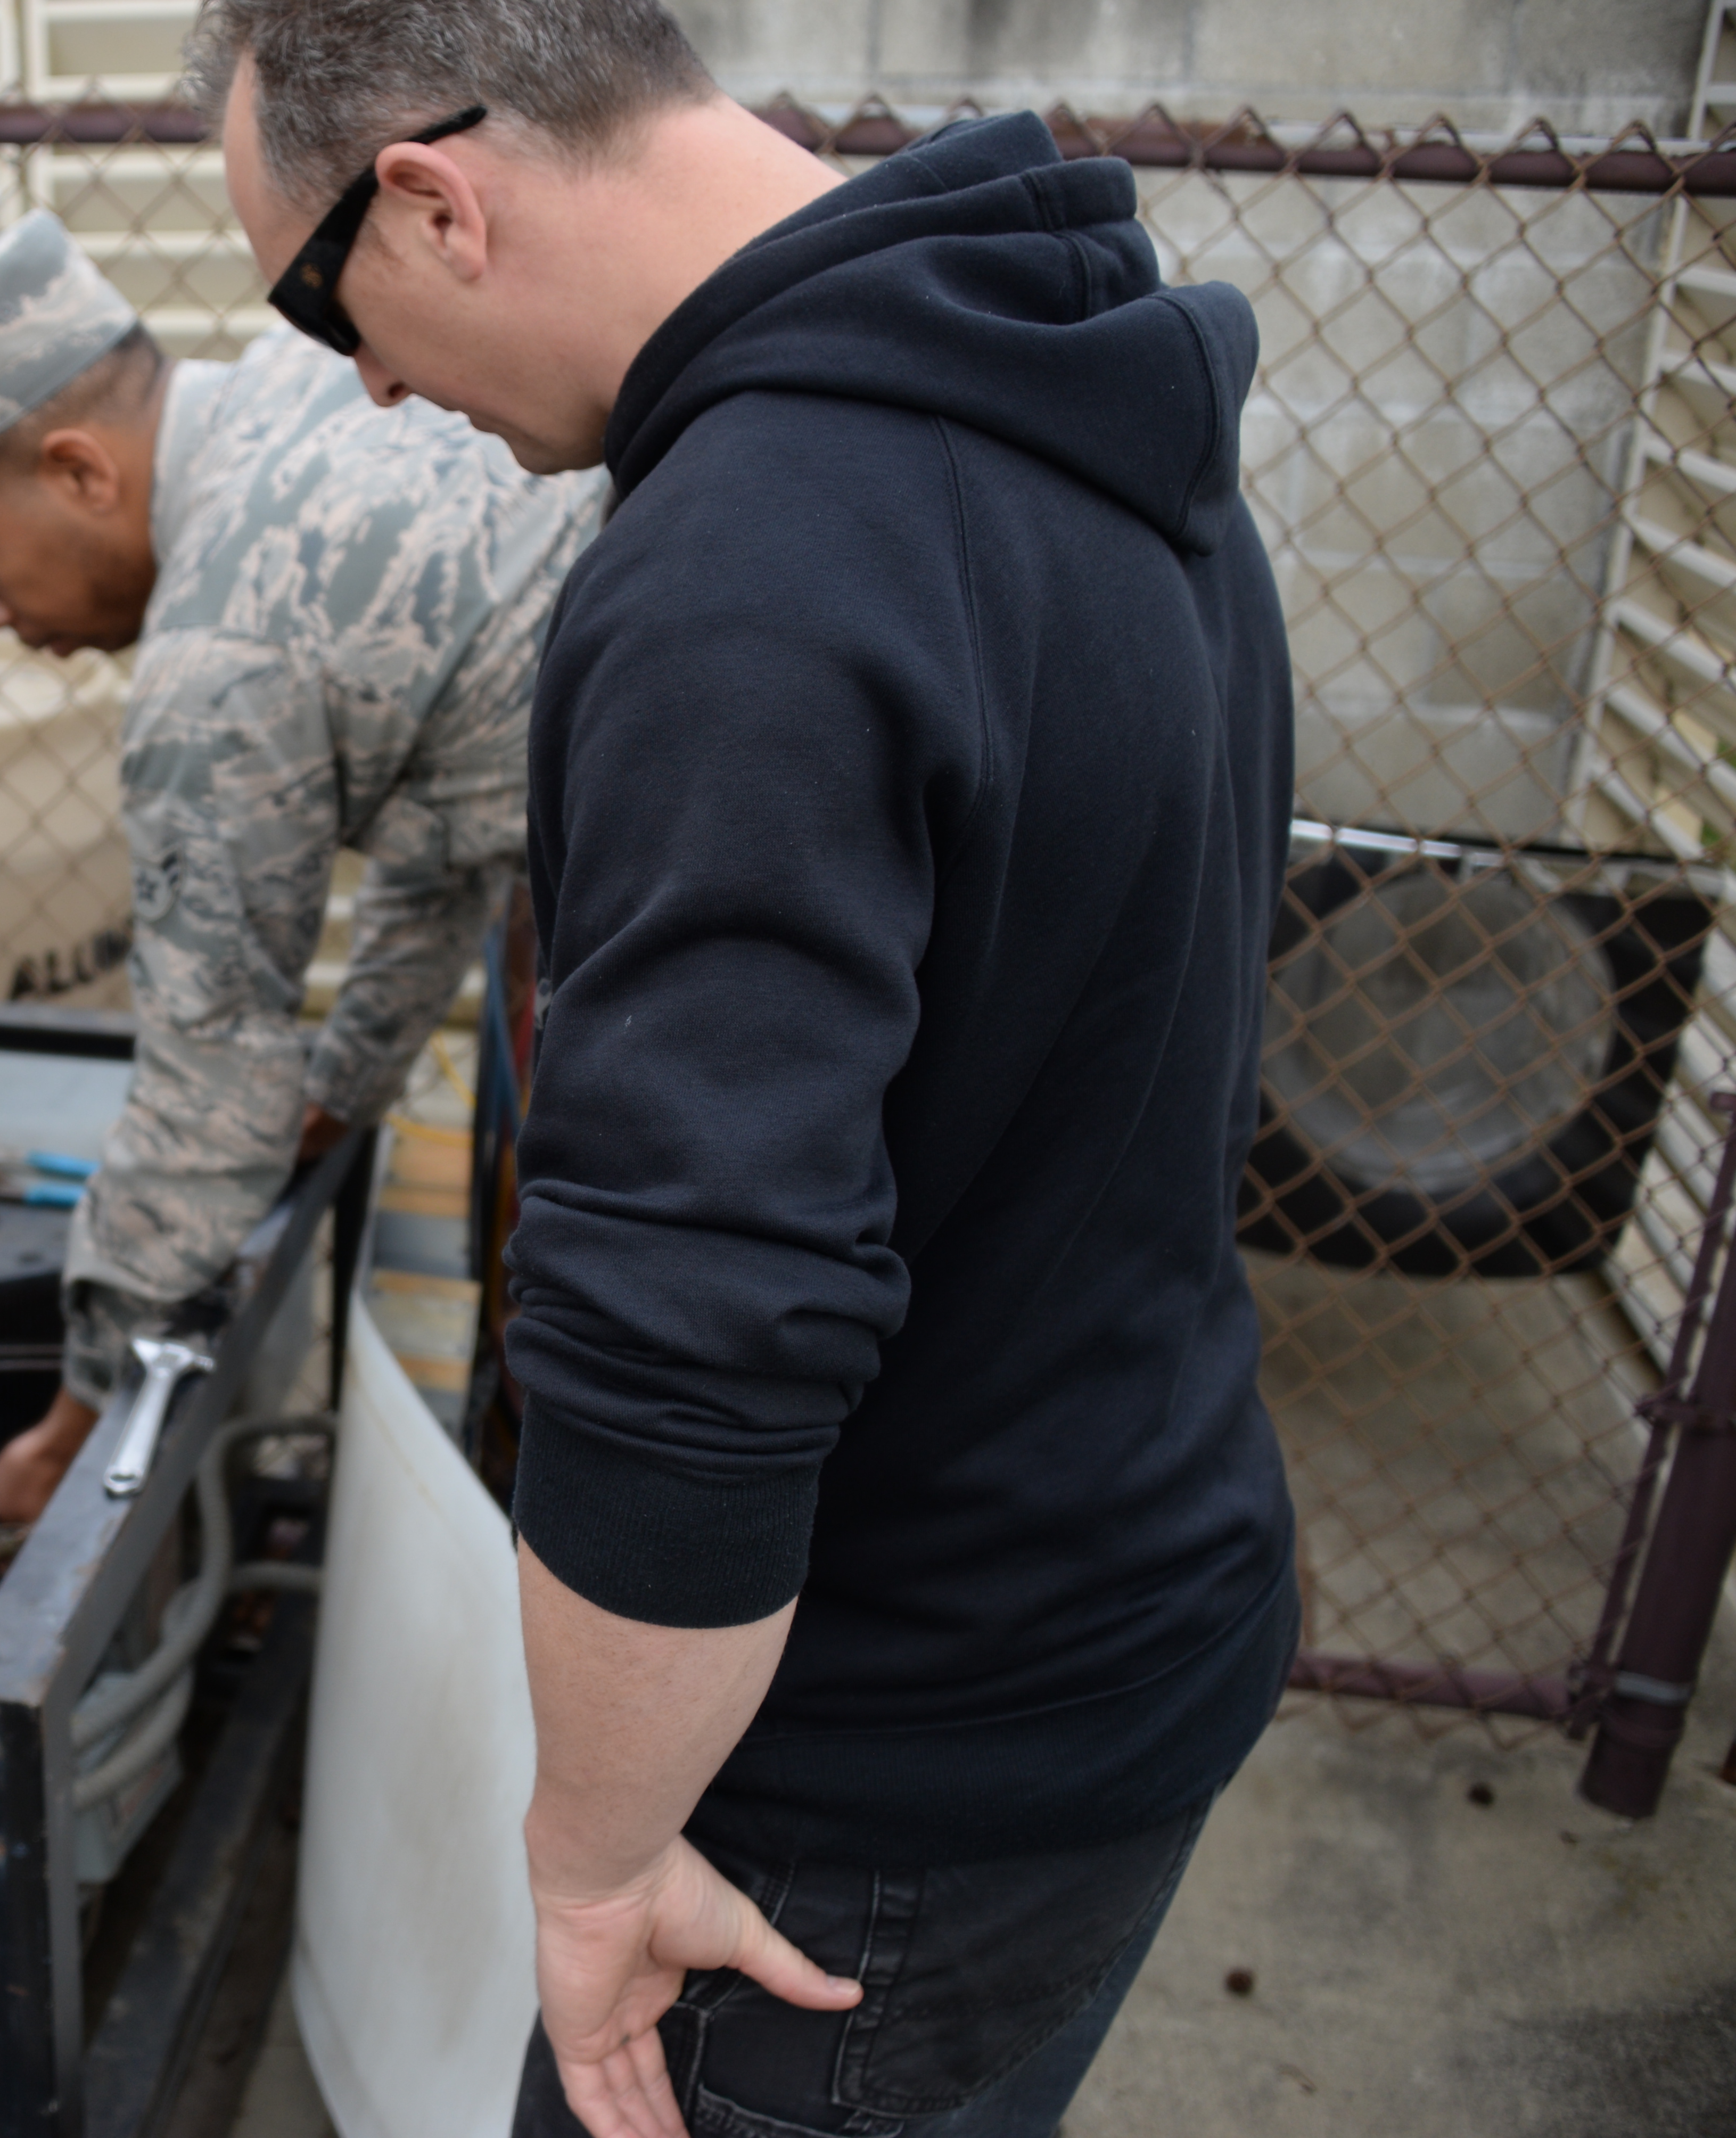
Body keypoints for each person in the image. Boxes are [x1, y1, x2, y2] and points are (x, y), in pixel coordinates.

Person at [196, 5, 1302, 2136]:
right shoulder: (1078, 392)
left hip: (877, 1759)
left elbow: (697, 1322)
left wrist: (594, 1853)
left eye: (323, 301)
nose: (369, 383)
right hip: (1133, 1593)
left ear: (431, 198)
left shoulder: (752, 574)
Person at [0, 209, 603, 1519]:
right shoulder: (308, 376)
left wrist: (73, 1422)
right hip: (633, 793)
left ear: (78, 470)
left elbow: (208, 1097)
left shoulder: (213, 670)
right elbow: (440, 807)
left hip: (671, 858)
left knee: (591, 1369)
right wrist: (343, 1088)